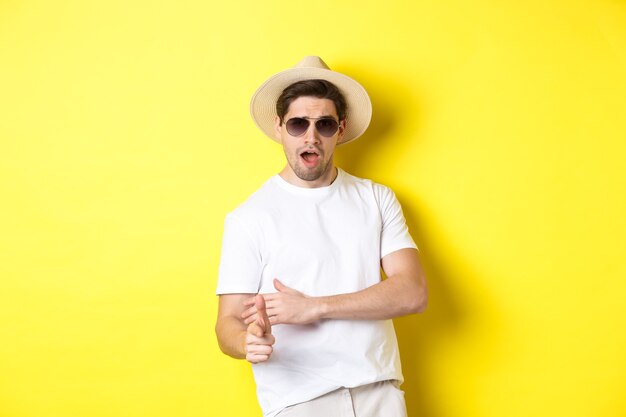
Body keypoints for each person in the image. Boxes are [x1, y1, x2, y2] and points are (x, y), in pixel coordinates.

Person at [215, 56, 428, 417]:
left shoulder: (376, 198)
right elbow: (227, 322)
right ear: (279, 127)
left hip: (380, 394)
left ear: (340, 129)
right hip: (300, 403)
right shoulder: (249, 217)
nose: (311, 137)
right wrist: (246, 341)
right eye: (298, 124)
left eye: (324, 124)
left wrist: (316, 306)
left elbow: (413, 291)